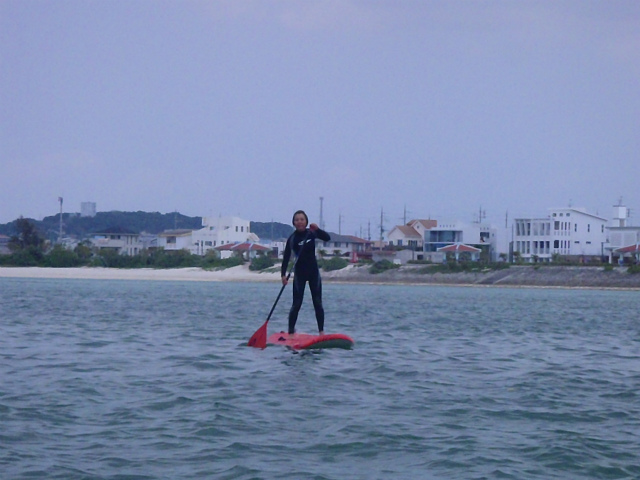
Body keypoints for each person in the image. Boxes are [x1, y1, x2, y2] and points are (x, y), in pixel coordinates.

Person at [281, 210, 330, 336]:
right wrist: (283, 275)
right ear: (294, 222)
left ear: (306, 221)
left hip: (313, 272)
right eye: (297, 220)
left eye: (302, 219)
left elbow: (327, 238)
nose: (299, 222)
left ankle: (321, 332)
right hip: (299, 274)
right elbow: (286, 258)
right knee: (296, 304)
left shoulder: (311, 233)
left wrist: (318, 230)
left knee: (317, 303)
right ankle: (291, 332)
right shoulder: (292, 239)